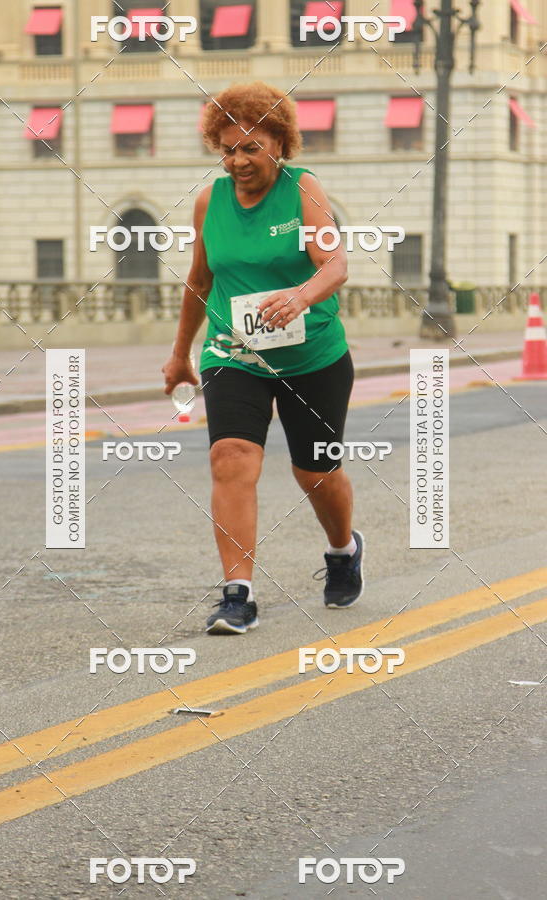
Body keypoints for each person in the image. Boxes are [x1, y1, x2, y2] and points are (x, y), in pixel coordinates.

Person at [163, 82, 364, 635]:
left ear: (281, 141)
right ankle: (238, 594)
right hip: (233, 354)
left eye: (251, 147)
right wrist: (180, 353)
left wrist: (299, 296)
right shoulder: (210, 201)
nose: (238, 160)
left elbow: (336, 264)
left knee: (316, 471)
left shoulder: (304, 189)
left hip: (313, 356)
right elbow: (200, 280)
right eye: (227, 149)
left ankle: (343, 550)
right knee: (231, 457)